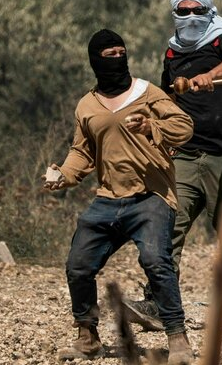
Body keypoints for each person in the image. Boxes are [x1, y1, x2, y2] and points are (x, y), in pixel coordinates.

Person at [44, 29, 194, 363]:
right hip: (108, 199)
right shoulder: (87, 105)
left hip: (151, 196)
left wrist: (152, 127)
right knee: (78, 266)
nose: (117, 59)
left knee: (156, 261)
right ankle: (87, 337)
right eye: (109, 55)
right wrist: (63, 175)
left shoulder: (146, 92)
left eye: (121, 52)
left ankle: (178, 338)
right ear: (95, 60)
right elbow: (82, 152)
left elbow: (184, 126)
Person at [126, 0, 222, 330]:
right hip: (185, 154)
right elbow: (168, 101)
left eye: (197, 10)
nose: (190, 17)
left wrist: (211, 75)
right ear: (174, 14)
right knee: (166, 226)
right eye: (183, 11)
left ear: (209, 11)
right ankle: (158, 303)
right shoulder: (172, 53)